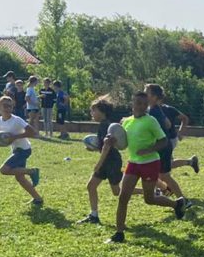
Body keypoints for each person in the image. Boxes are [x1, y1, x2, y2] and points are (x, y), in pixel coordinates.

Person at [106, 91, 187, 244]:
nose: (141, 106)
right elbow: (123, 144)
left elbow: (164, 141)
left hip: (150, 163)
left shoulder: (151, 121)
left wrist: (148, 150)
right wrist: (112, 141)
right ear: (132, 104)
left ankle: (177, 204)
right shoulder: (127, 122)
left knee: (149, 199)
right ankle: (119, 233)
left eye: (144, 104)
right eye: (138, 103)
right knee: (123, 197)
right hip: (133, 163)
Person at [78, 96, 122, 225]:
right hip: (107, 161)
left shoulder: (105, 126)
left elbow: (108, 147)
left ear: (102, 112)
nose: (91, 113)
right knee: (91, 186)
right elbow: (104, 145)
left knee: (117, 192)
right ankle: (94, 215)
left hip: (112, 162)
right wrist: (94, 148)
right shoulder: (103, 125)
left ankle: (152, 192)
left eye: (93, 111)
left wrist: (99, 163)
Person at [143, 83, 190, 201]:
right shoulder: (152, 109)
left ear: (154, 97)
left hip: (163, 146)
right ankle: (166, 192)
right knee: (156, 173)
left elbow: (168, 123)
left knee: (163, 175)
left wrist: (162, 133)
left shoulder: (155, 111)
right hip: (159, 145)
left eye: (146, 92)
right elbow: (167, 123)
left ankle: (182, 199)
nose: (144, 95)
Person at [0, 96, 43, 206]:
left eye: (10, 106)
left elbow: (33, 132)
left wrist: (14, 137)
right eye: (5, 105)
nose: (7, 108)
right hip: (15, 150)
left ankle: (32, 171)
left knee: (4, 170)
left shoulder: (17, 120)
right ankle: (38, 199)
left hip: (23, 150)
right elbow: (0, 137)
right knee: (20, 178)